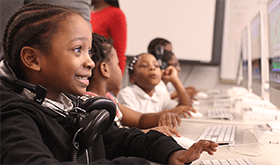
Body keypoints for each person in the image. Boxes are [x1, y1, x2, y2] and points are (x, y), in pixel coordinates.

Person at [0, 2, 218, 165]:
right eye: (78, 50)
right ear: (33, 59)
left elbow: (121, 139)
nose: (89, 62)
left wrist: (171, 153)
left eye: (89, 52)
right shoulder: (14, 118)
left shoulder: (75, 107)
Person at [86, 33, 182, 135]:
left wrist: (162, 116)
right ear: (105, 69)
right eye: (117, 64)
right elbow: (112, 139)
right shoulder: (94, 104)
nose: (120, 70)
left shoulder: (109, 99)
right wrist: (148, 132)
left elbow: (140, 119)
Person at [117, 53, 194, 116]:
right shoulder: (126, 94)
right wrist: (168, 112)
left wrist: (175, 80)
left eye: (156, 66)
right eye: (144, 65)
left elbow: (186, 109)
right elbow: (134, 121)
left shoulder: (160, 93)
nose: (152, 68)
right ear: (132, 78)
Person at [90, 0, 127, 75]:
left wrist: (118, 79)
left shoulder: (116, 14)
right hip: (86, 67)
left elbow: (119, 52)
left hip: (101, 73)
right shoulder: (87, 13)